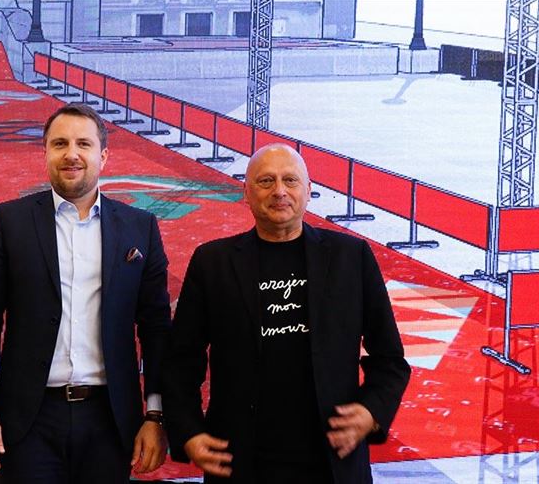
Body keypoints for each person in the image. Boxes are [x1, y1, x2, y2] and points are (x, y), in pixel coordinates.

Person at [162, 143, 411, 483]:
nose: (279, 191)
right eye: (266, 181)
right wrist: (189, 430)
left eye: (290, 180)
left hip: (332, 462)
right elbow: (181, 360)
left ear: (308, 190)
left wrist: (372, 411)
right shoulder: (213, 262)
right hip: (239, 462)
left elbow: (390, 358)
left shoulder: (351, 257)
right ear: (246, 193)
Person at [0, 103, 171, 483]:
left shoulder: (140, 227)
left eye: (83, 144)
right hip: (27, 422)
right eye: (60, 144)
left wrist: (155, 414)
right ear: (45, 153)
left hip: (111, 421)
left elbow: (156, 329)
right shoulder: (9, 221)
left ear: (103, 156)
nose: (71, 154)